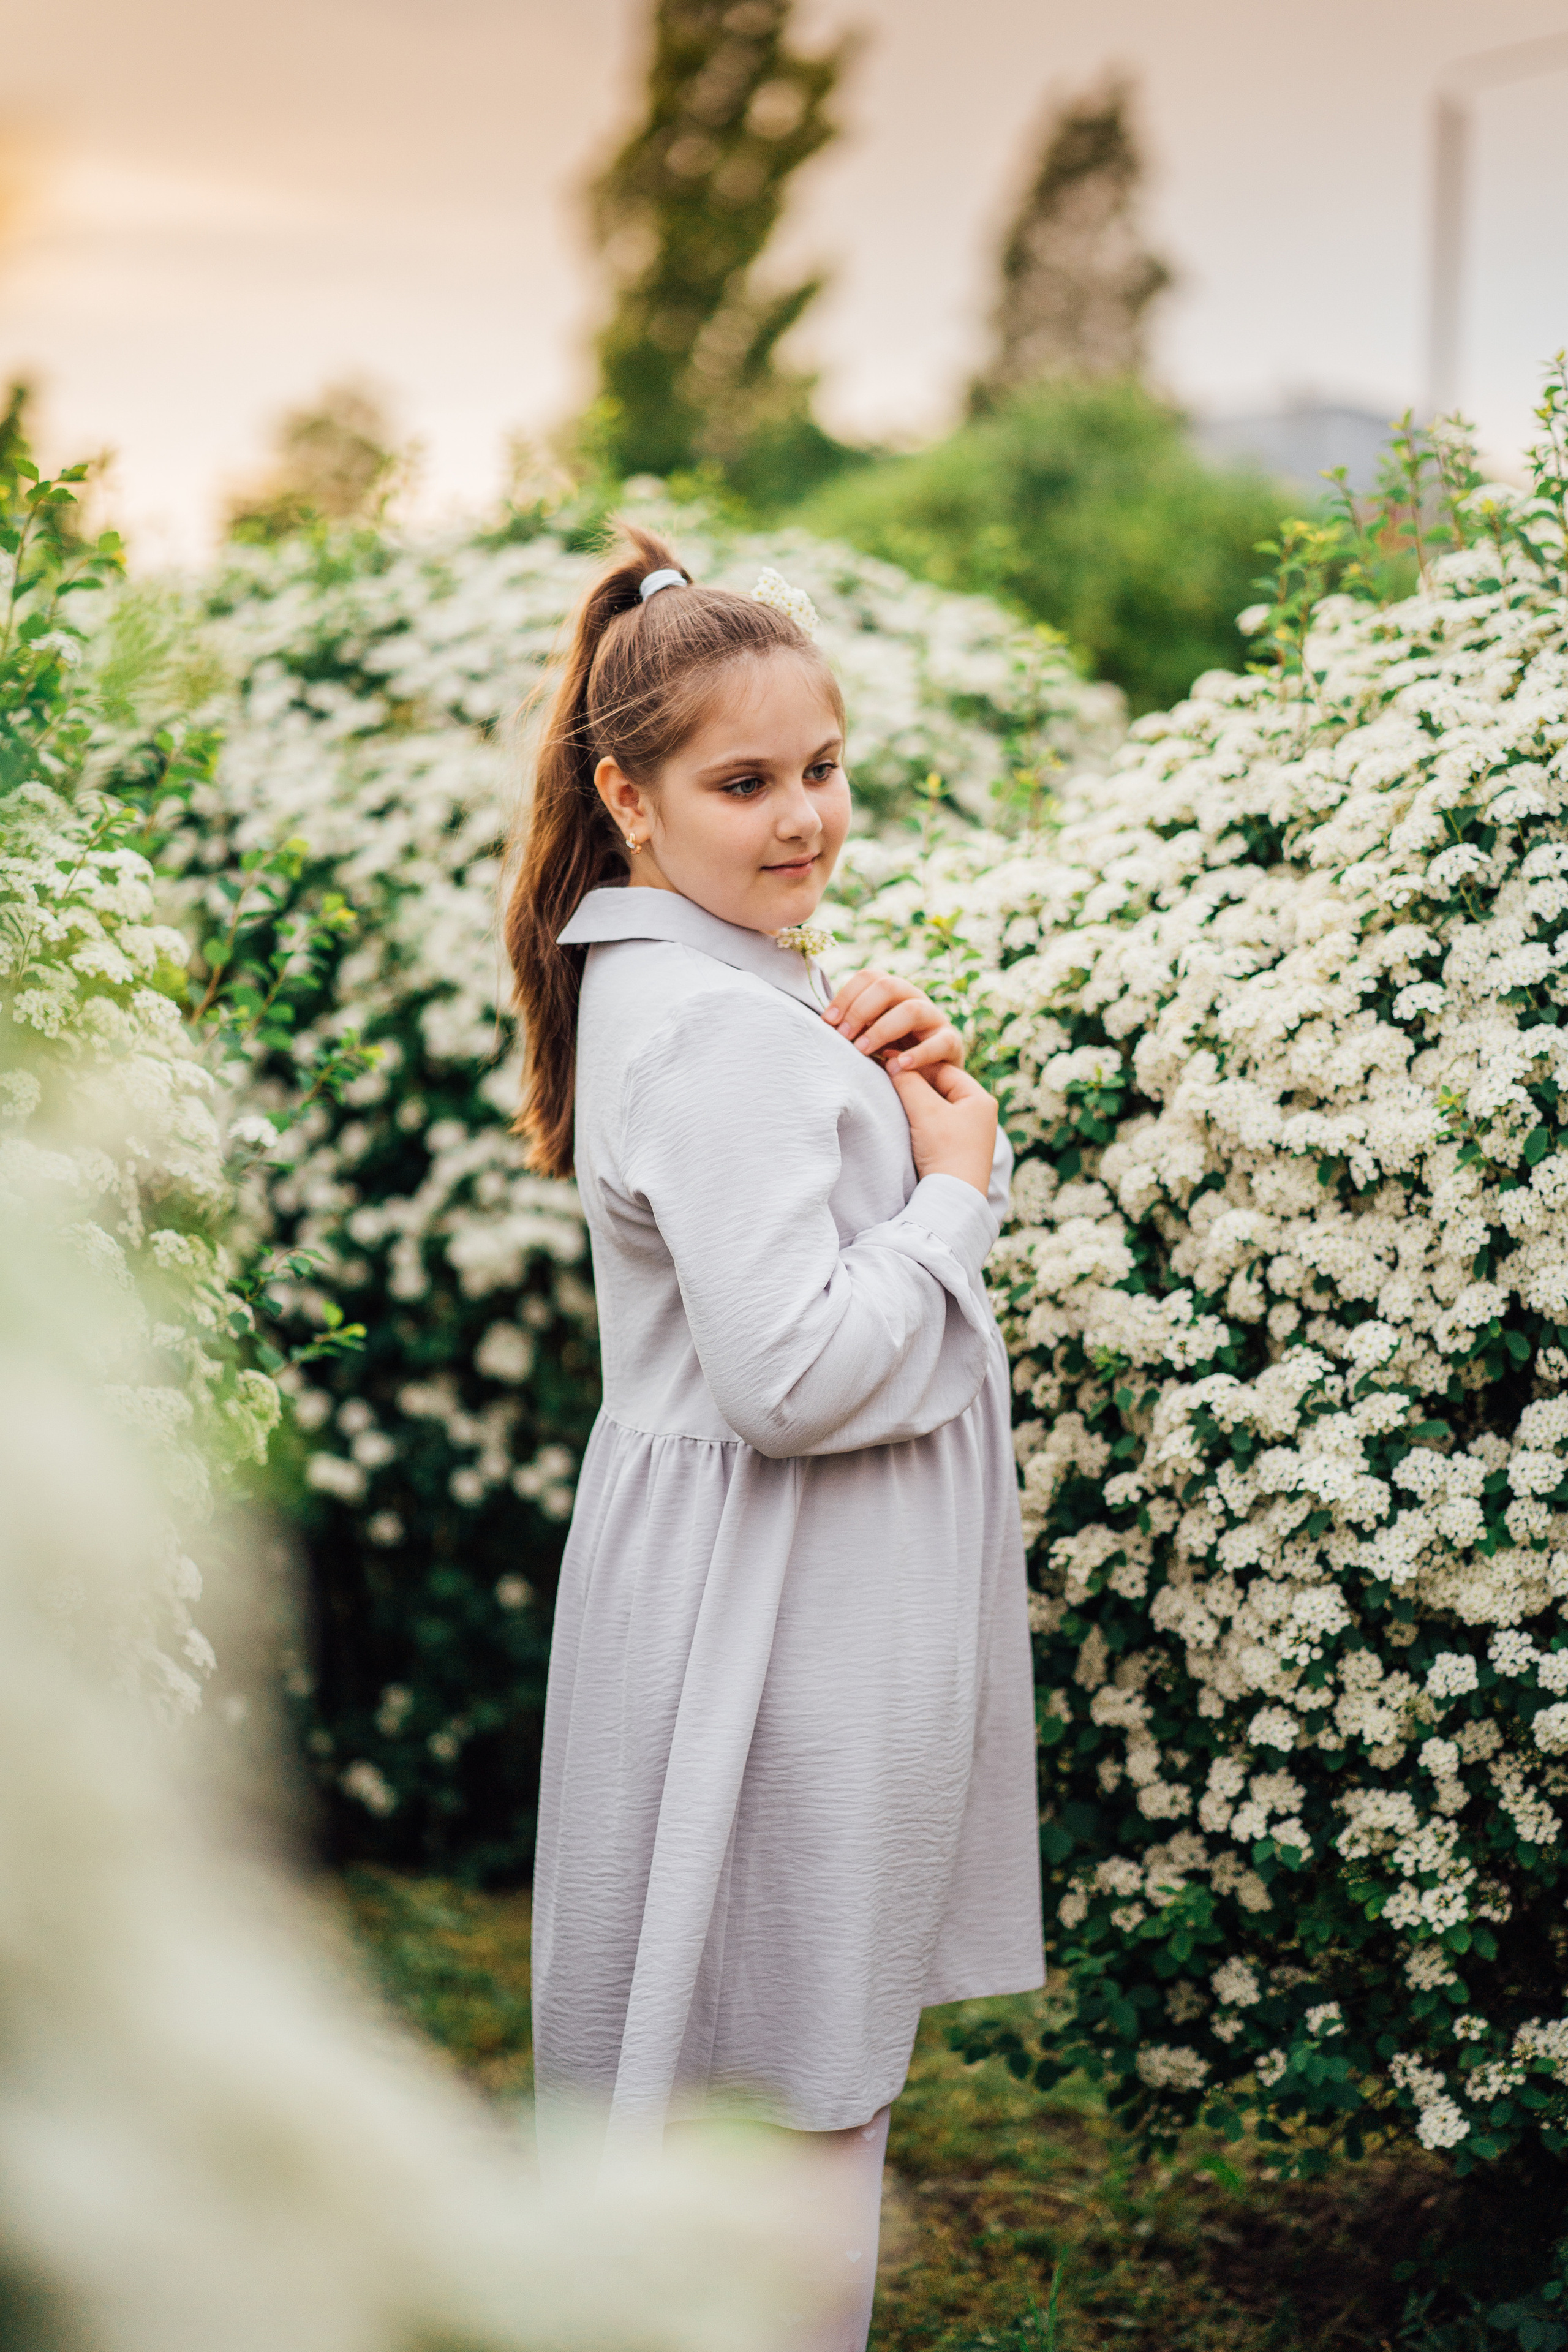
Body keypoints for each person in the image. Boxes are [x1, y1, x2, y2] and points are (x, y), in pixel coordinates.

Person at [504, 528, 1042, 2348]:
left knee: (744, 2078)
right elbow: (794, 1376)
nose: (803, 817)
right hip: (782, 1620)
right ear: (628, 799)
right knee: (802, 2105)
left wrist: (883, 1079)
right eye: (745, 782)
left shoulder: (723, 992)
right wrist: (958, 1189)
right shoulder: (717, 1027)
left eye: (822, 769)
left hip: (764, 1597)